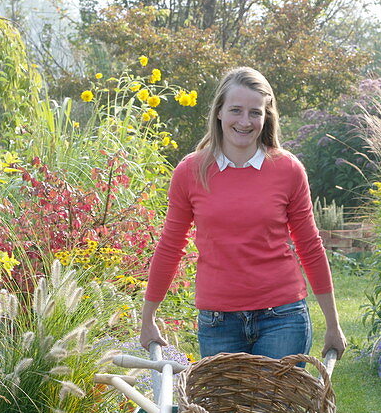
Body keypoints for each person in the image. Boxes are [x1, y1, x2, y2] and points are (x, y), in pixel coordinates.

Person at [138, 66, 348, 361]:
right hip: (218, 322)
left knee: (272, 408)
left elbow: (310, 247)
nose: (245, 121)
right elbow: (171, 246)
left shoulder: (287, 170)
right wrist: (148, 318)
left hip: (283, 317)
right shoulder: (190, 171)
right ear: (219, 112)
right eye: (236, 110)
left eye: (255, 112)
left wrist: (333, 324)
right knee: (226, 409)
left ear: (267, 116)